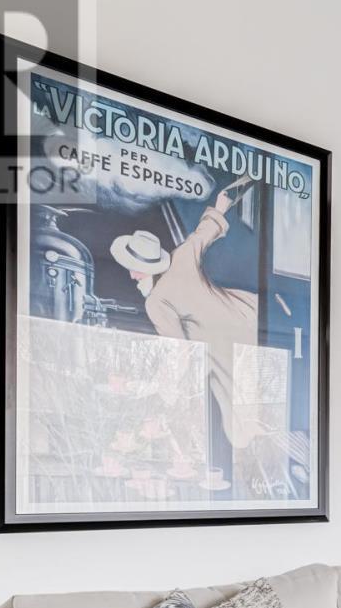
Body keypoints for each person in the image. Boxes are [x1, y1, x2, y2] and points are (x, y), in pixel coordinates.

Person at [110, 179, 258, 457]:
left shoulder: (156, 302)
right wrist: (223, 203)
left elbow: (179, 352)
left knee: (240, 429)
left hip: (225, 350)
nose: (131, 274)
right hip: (249, 313)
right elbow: (204, 232)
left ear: (140, 269)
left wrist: (162, 394)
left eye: (133, 269)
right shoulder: (181, 257)